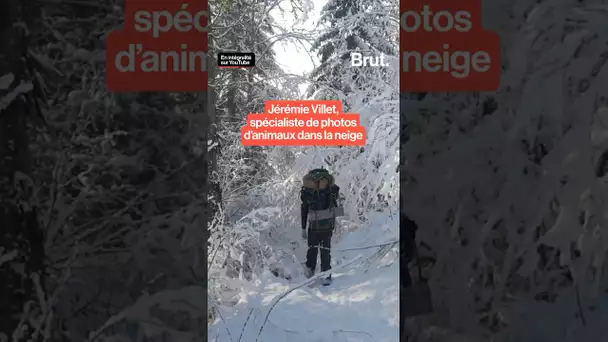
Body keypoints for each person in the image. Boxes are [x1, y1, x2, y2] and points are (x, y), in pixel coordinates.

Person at [300, 169, 341, 286]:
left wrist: (303, 227)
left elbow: (304, 210)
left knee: (312, 250)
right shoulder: (332, 190)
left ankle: (309, 272)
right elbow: (336, 210)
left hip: (313, 227)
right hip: (327, 227)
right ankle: (326, 275)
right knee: (325, 251)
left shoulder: (308, 192)